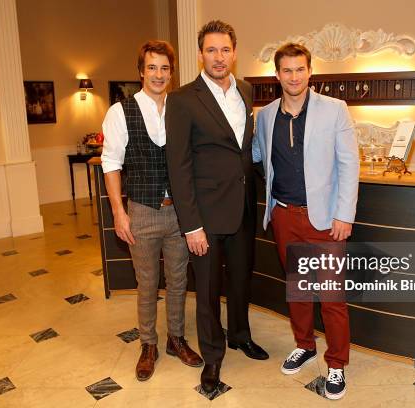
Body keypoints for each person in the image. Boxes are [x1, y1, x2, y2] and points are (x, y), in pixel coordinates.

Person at [165, 20, 269, 393]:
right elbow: (178, 166)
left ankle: (240, 334)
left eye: (225, 49)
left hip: (242, 207)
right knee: (207, 290)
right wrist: (190, 224)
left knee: (241, 278)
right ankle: (212, 357)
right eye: (211, 50)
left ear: (235, 53)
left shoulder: (245, 89)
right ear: (200, 54)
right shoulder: (181, 100)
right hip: (204, 215)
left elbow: (244, 149)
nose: (219, 57)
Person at [253, 42, 359, 400]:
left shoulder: (335, 110)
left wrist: (344, 214)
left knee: (331, 296)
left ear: (310, 72)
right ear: (277, 75)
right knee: (298, 290)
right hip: (284, 215)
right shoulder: (265, 115)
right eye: (287, 70)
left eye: (300, 69)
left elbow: (349, 164)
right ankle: (305, 344)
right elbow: (255, 155)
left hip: (325, 219)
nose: (294, 76)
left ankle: (337, 364)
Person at [101, 40, 203, 382]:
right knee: (147, 283)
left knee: (177, 280)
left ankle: (176, 338)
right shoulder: (121, 111)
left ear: (172, 73)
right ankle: (148, 344)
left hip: (179, 214)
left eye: (164, 68)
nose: (158, 74)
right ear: (141, 71)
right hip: (141, 212)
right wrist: (118, 212)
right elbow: (111, 164)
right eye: (152, 67)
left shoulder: (181, 108)